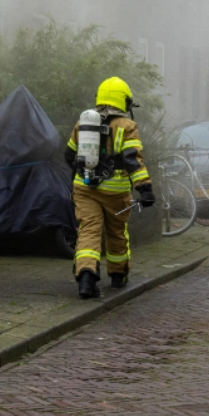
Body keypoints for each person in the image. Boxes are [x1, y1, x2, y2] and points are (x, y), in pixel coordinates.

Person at [64, 77, 155, 299]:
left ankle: (86, 277)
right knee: (116, 232)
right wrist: (145, 189)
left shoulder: (83, 124)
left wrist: (85, 174)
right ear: (124, 101)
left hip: (85, 189)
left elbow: (69, 155)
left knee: (88, 231)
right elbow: (133, 160)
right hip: (116, 192)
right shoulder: (128, 126)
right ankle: (117, 276)